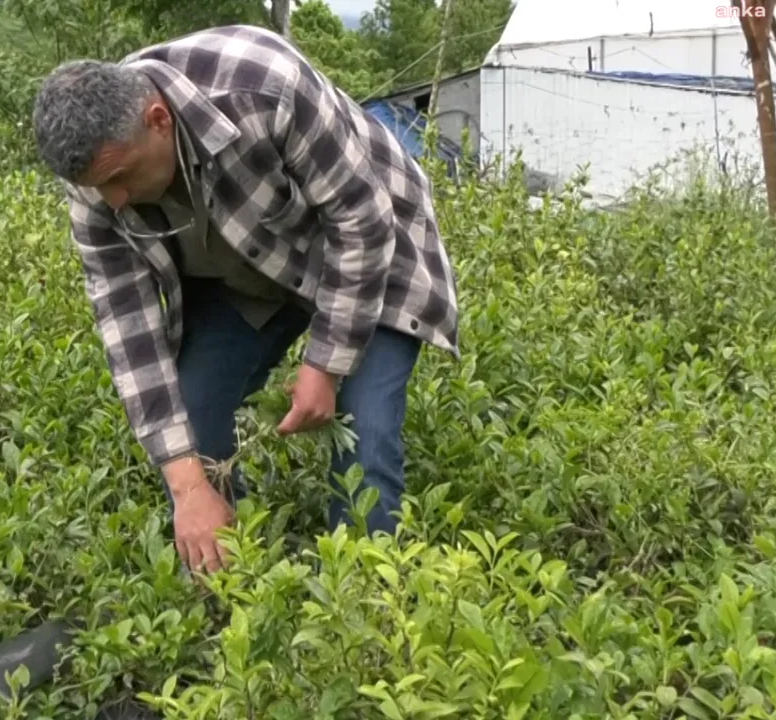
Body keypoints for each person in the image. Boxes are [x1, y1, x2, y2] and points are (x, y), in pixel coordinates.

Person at [30, 24, 459, 575]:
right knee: (194, 417)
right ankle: (240, 592)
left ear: (158, 121)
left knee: (366, 431)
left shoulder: (263, 87)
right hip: (245, 266)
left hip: (370, 248)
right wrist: (189, 489)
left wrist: (325, 366)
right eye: (96, 189)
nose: (112, 201)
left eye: (120, 178)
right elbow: (128, 329)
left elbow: (360, 218)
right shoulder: (96, 178)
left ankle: (365, 601)